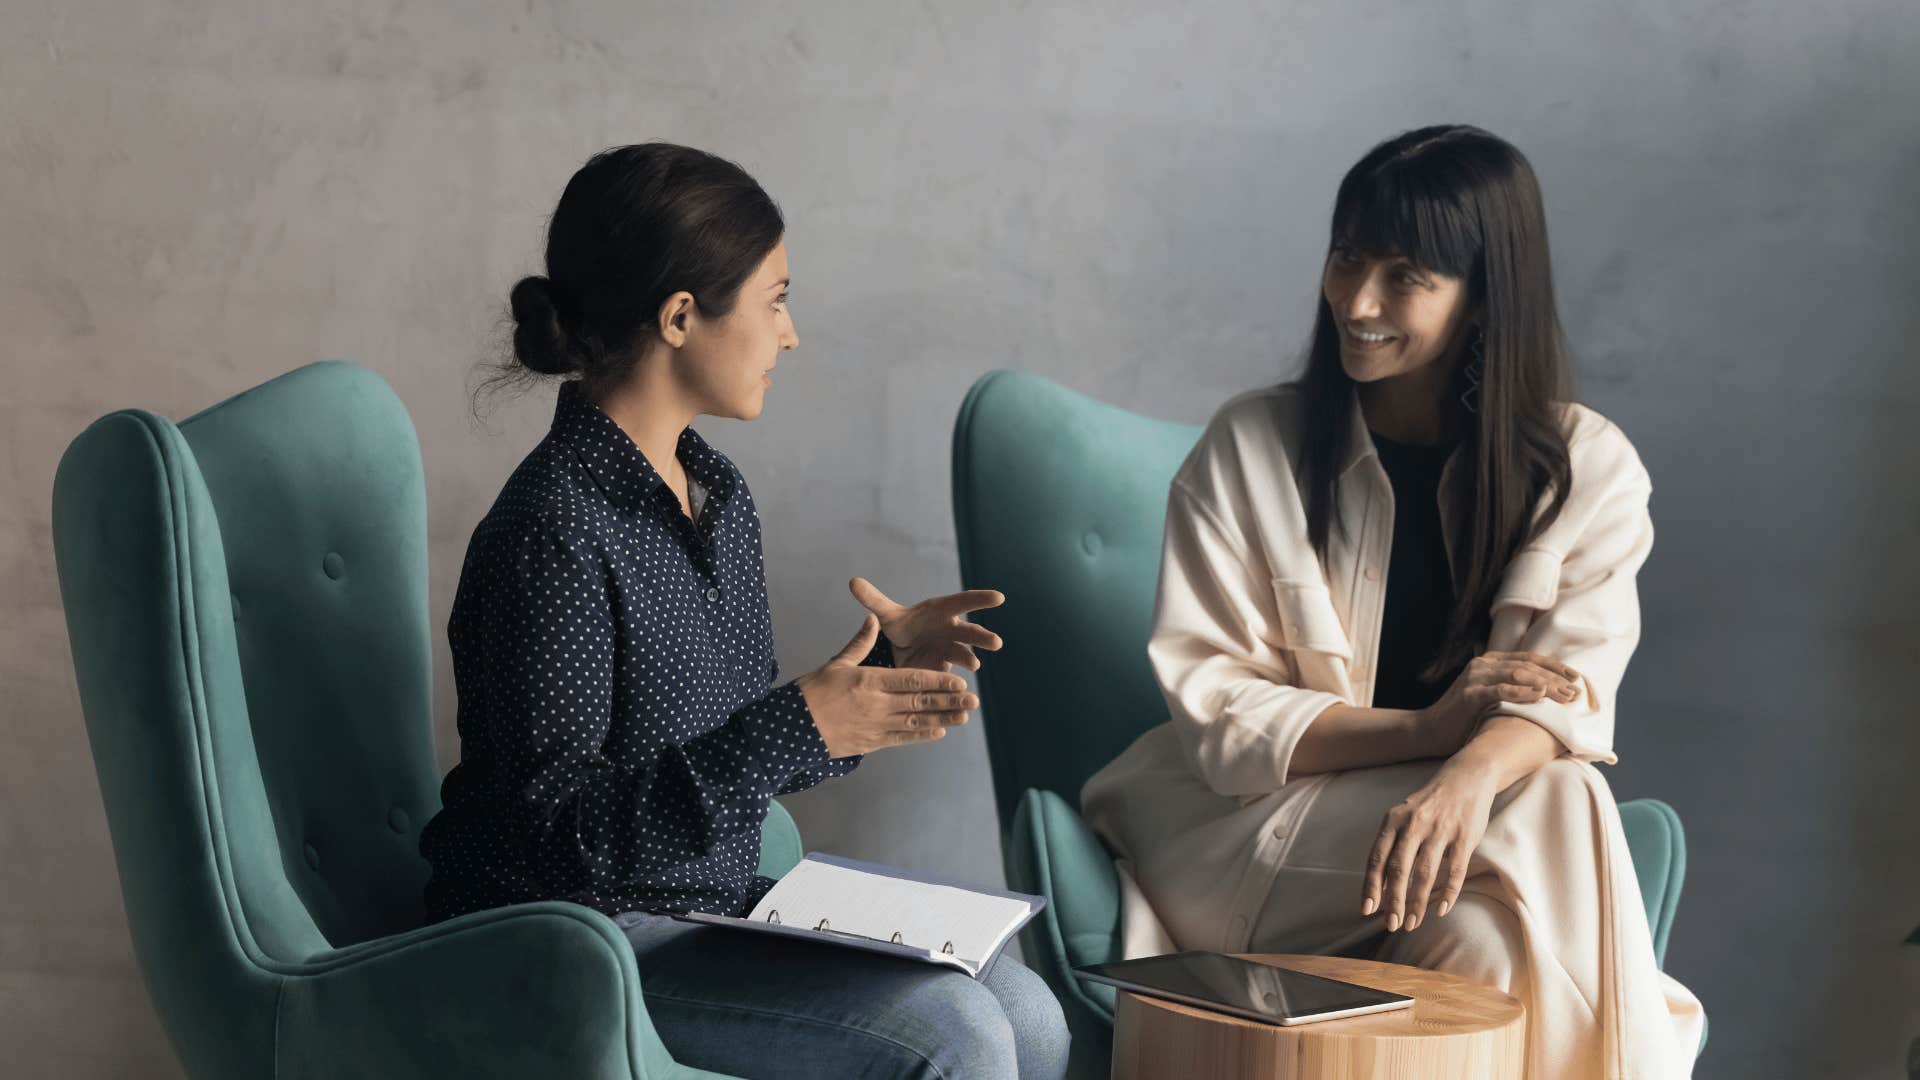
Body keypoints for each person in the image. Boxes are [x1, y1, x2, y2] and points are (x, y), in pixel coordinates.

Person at [419, 142, 1068, 1079]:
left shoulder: (716, 495)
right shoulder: (549, 533)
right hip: (575, 942)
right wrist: (794, 724)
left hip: (707, 907)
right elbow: (560, 843)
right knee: (955, 1036)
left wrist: (872, 681)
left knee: (1029, 1013)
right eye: (774, 300)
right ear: (681, 316)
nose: (791, 334)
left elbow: (714, 749)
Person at [1081, 125, 1704, 1078]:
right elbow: (1223, 722)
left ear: (1486, 296)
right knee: (1565, 794)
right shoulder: (1253, 446)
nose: (1357, 300)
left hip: (1436, 860)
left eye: (1406, 274)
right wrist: (1436, 731)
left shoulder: (1589, 468)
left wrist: (1465, 777)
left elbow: (1568, 689)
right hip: (1235, 836)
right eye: (1347, 258)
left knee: (1493, 959)